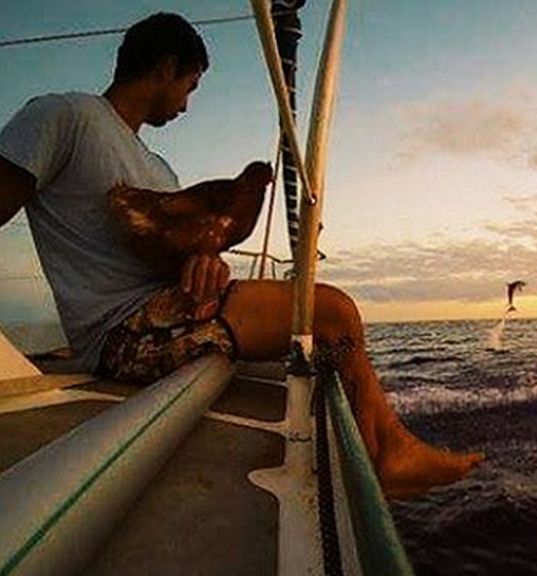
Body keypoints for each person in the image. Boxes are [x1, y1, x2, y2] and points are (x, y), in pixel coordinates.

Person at [0, 12, 481, 499]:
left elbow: (171, 254)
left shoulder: (157, 167)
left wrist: (203, 264)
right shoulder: (62, 116)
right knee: (334, 311)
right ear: (165, 68)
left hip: (171, 309)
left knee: (334, 312)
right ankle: (389, 454)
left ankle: (388, 447)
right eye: (189, 85)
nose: (187, 105)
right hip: (120, 333)